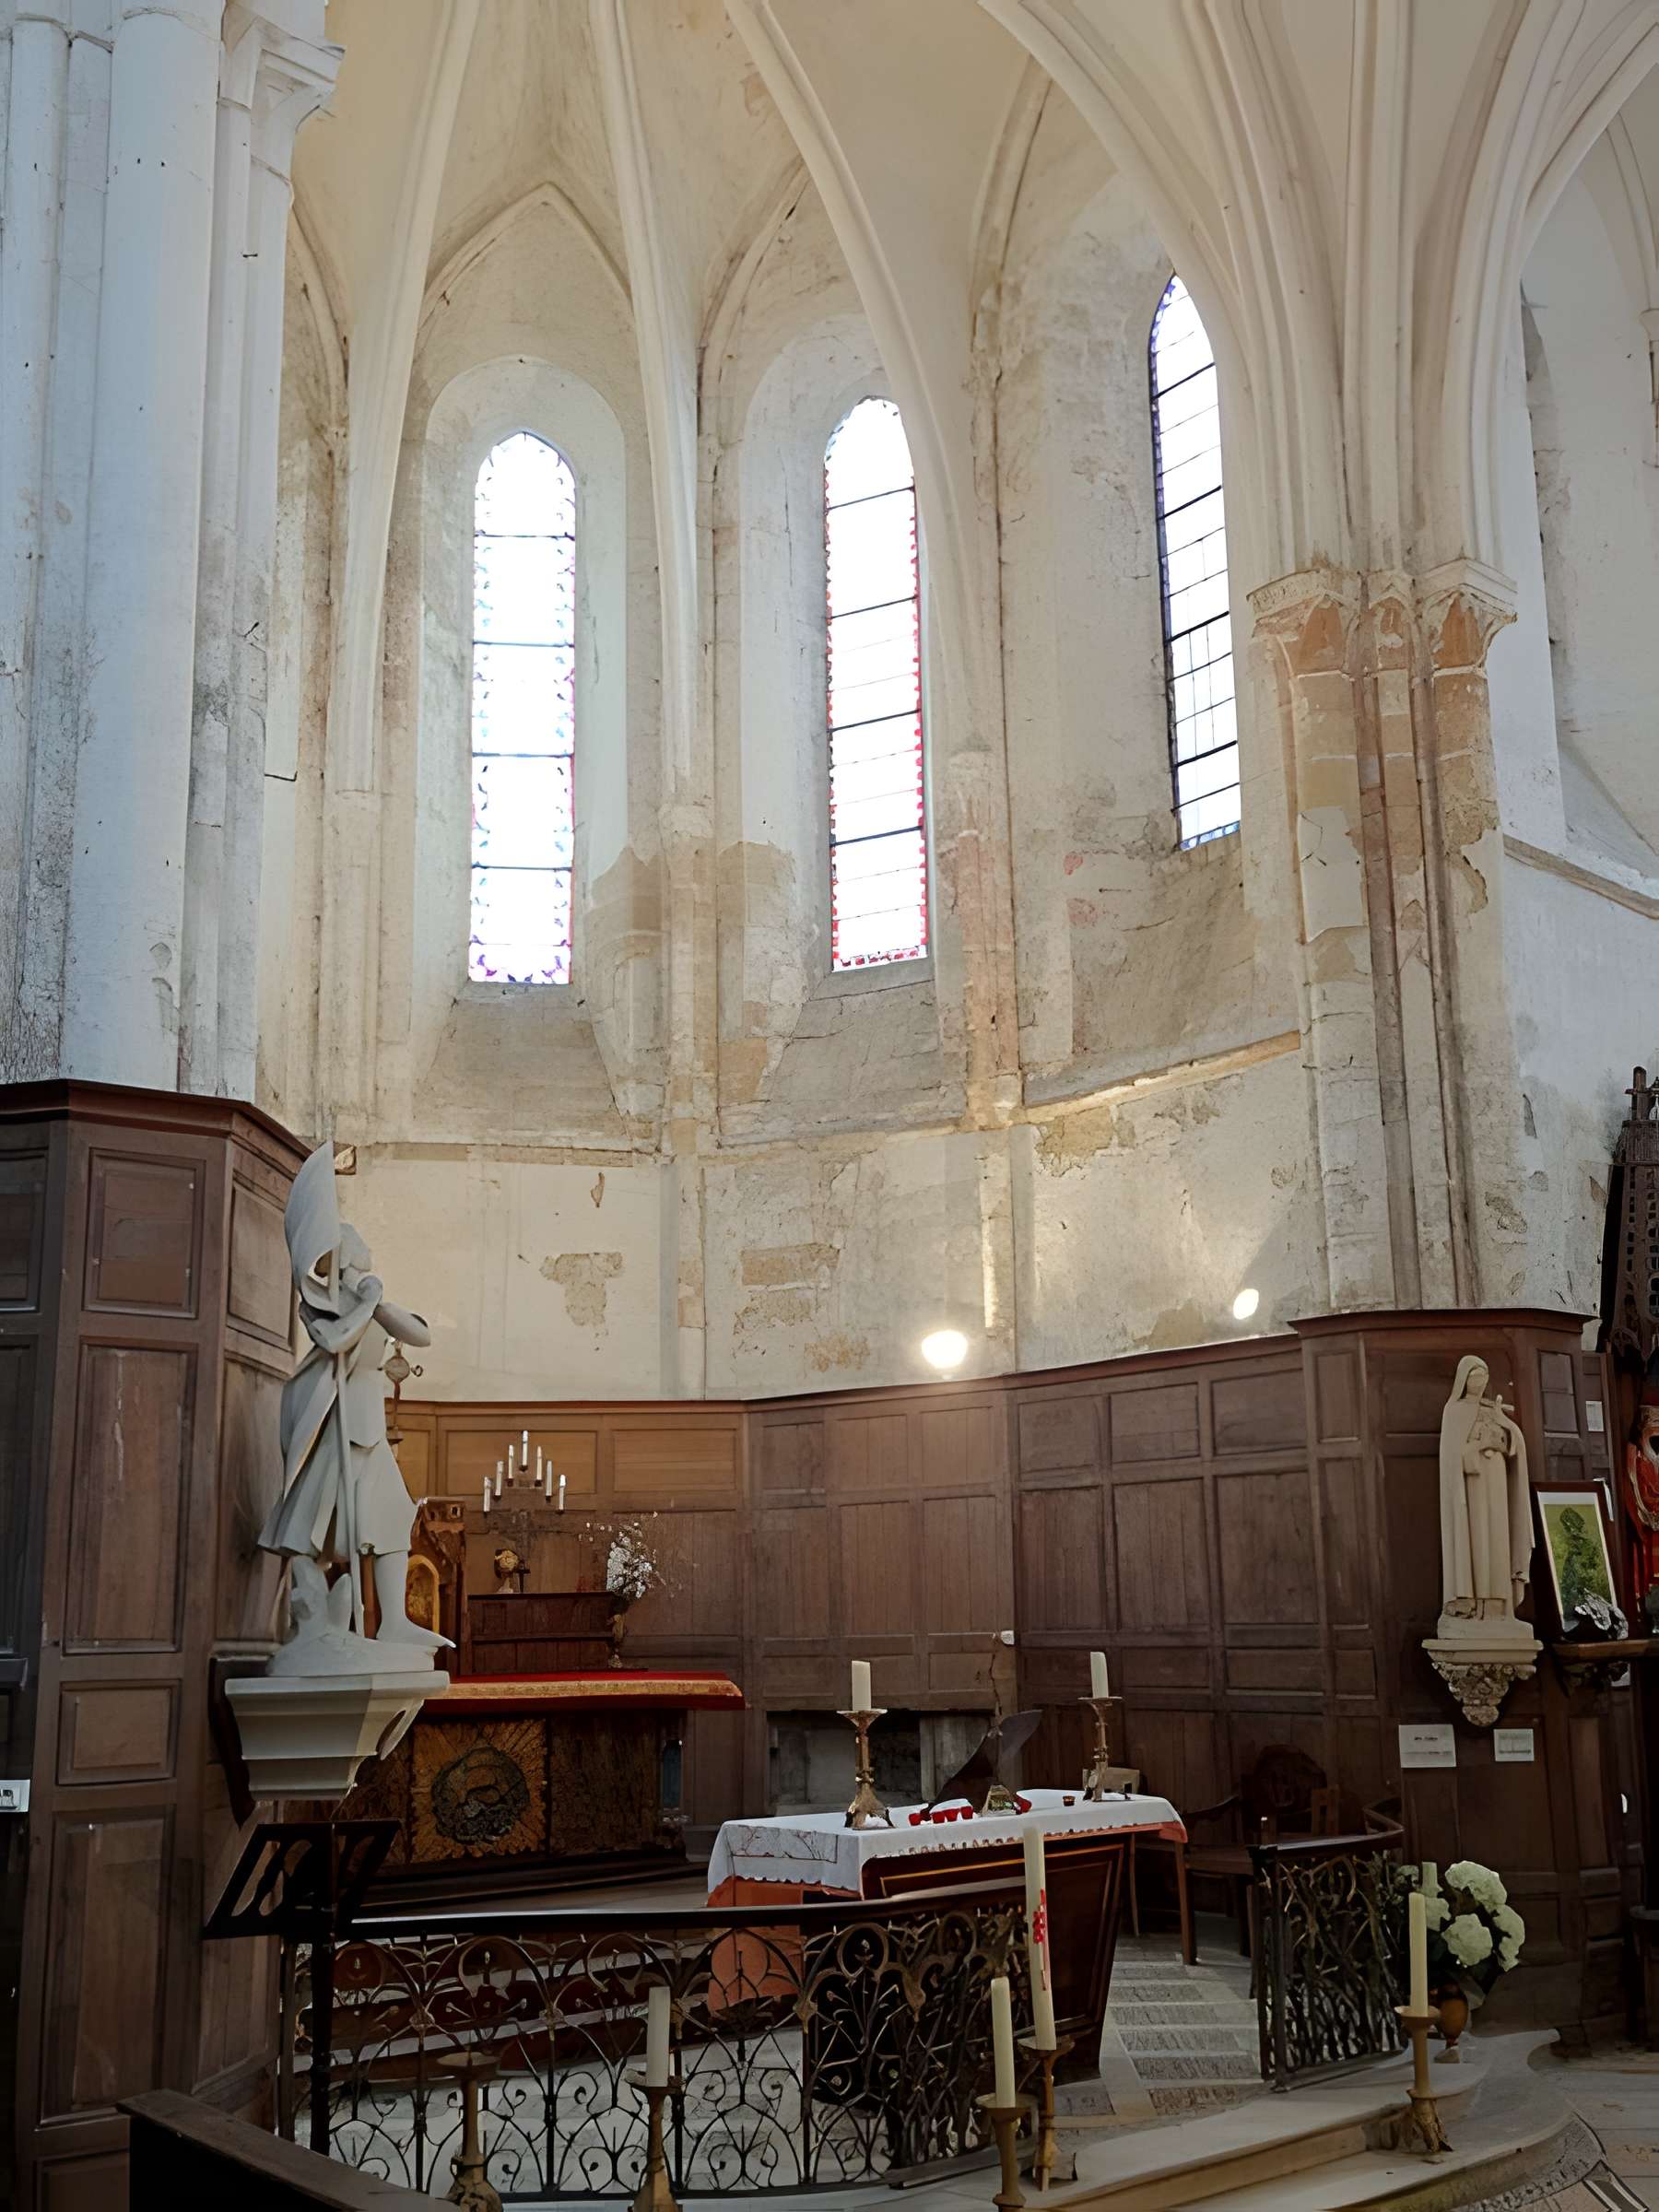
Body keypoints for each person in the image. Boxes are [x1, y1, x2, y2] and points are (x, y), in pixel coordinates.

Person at [260, 1141, 446, 1660]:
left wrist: (377, 1300)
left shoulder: (369, 1301)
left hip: (368, 1433)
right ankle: (312, 1626)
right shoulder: (319, 1307)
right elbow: (335, 1342)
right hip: (334, 1430)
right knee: (311, 1530)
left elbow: (419, 1334)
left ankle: (394, 1624)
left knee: (391, 1519)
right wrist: (363, 1305)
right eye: (357, 1251)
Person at [1438, 1355, 1532, 1636]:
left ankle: (1499, 1608)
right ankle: (1472, 1604)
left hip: (1497, 1483)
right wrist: (1481, 1444)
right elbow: (1454, 1458)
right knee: (1476, 1540)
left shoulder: (1492, 1409)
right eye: (1475, 1376)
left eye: (1484, 1376)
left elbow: (1515, 1447)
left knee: (1498, 1540)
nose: (1480, 1382)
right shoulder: (1454, 1411)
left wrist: (1504, 1425)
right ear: (1464, 1380)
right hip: (1473, 1489)